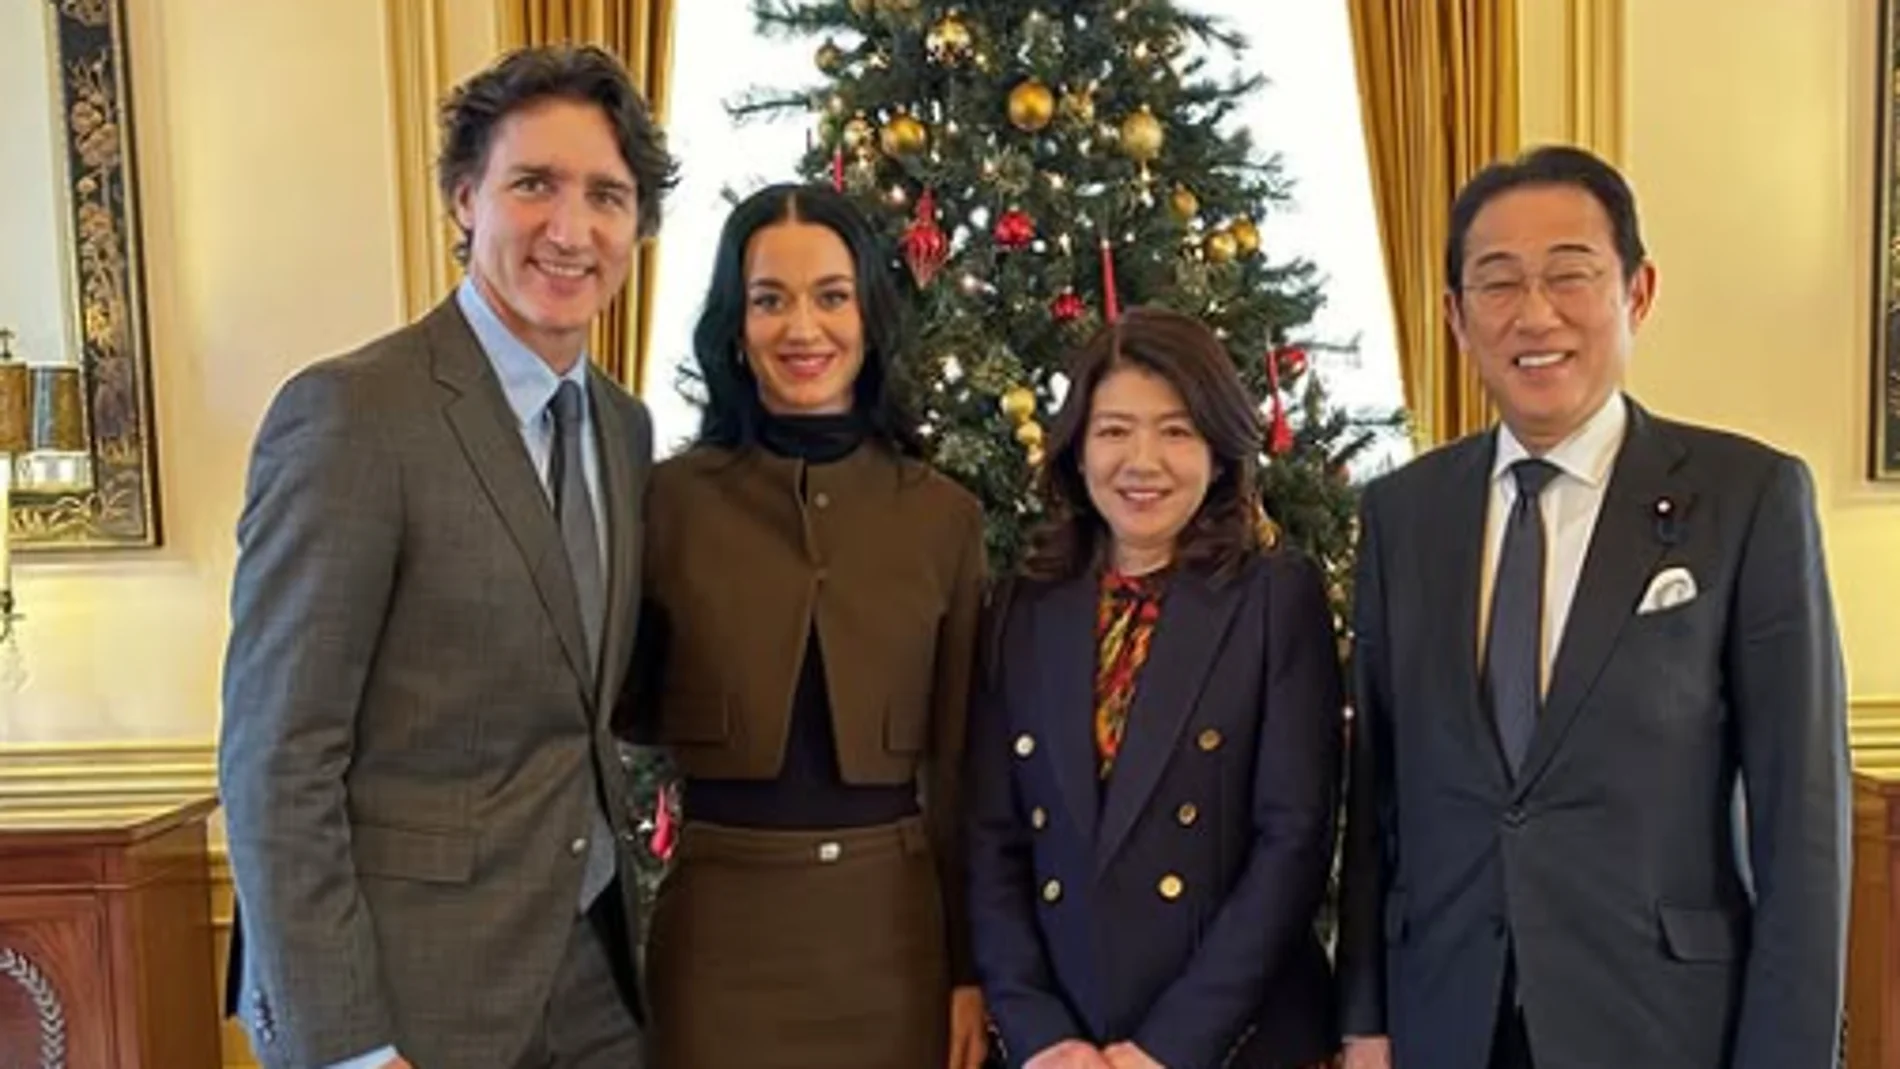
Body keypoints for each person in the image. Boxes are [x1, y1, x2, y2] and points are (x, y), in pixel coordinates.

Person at [1336, 144, 1850, 1069]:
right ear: (1455, 316)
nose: (1535, 313)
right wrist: (1365, 1019)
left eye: (1570, 274)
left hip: (1660, 1023)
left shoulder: (1746, 498)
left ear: (1637, 292)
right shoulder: (1403, 514)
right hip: (1445, 1016)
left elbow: (1802, 822)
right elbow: (1379, 797)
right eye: (1496, 283)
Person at [218, 45, 676, 1069]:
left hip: (596, 988)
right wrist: (348, 1048)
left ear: (636, 227)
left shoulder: (624, 429)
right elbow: (277, 759)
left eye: (606, 194)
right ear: (465, 198)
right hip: (411, 1005)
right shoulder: (351, 416)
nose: (570, 228)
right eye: (533, 185)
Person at [630, 182, 989, 1069]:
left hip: (895, 944)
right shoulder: (668, 502)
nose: (802, 328)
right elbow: (619, 710)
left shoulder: (943, 514)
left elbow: (962, 767)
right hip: (718, 940)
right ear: (735, 326)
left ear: (868, 315)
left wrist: (968, 972)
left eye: (830, 296)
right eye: (769, 300)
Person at [966, 306, 1343, 1069]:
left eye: (1175, 430)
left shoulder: (1276, 597)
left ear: (1218, 447)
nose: (1143, 460)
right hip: (1065, 1048)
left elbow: (1293, 843)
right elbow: (991, 839)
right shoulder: (1023, 605)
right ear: (1076, 450)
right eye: (1113, 431)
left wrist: (1167, 1049)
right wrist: (1041, 1036)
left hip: (1236, 1041)